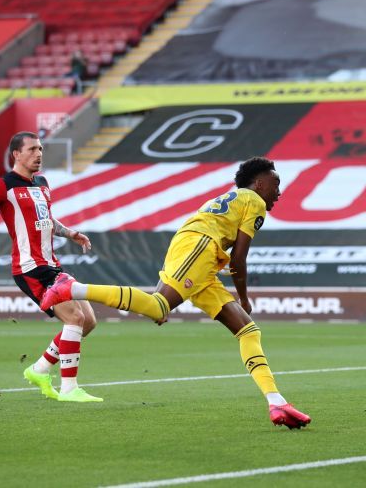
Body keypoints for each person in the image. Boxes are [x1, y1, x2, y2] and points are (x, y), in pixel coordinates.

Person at [41, 157, 312, 429]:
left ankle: (276, 402)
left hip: (201, 252)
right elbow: (239, 258)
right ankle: (72, 288)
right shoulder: (254, 201)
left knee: (248, 331)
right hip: (202, 247)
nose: (278, 192)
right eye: (276, 184)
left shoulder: (236, 198)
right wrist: (244, 297)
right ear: (259, 183)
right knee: (159, 306)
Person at [0, 132, 102, 403]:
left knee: (88, 322)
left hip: (52, 265)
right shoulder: (3, 185)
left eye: (40, 148)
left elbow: (46, 219)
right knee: (74, 319)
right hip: (30, 268)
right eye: (32, 149)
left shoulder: (42, 183)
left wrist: (71, 233)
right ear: (16, 154)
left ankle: (40, 369)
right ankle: (69, 388)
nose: (38, 154)